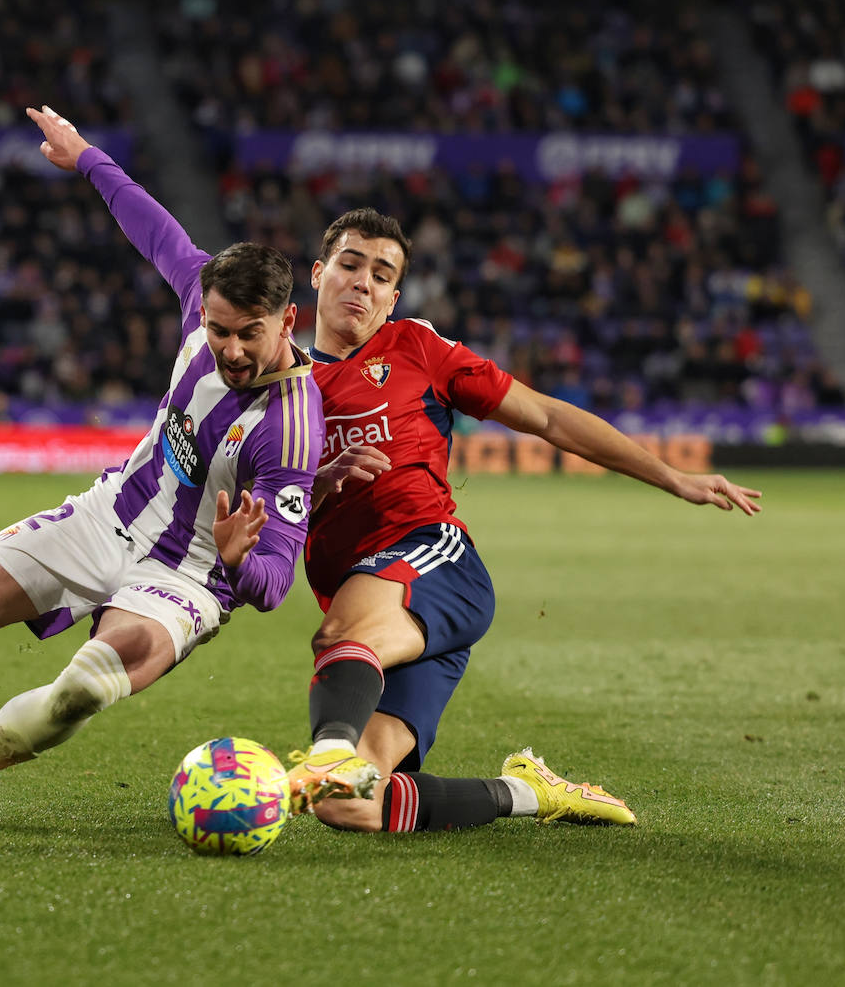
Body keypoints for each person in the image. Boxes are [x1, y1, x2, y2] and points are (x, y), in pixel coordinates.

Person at [0, 105, 330, 827]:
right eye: (218, 329)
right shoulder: (203, 300)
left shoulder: (290, 431)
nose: (227, 348)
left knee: (82, 691)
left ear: (288, 321)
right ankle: (71, 599)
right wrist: (88, 158)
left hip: (186, 575)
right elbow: (154, 227)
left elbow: (276, 582)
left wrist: (235, 563)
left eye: (247, 334)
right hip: (106, 517)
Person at [285, 208, 763, 833]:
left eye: (381, 274)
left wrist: (672, 477)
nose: (362, 283)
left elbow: (547, 418)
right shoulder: (281, 385)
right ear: (318, 274)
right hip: (379, 608)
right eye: (349, 265)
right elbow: (266, 511)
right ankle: (529, 792)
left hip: (432, 560)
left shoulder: (416, 348)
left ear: (393, 297)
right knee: (351, 805)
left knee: (340, 636)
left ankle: (326, 756)